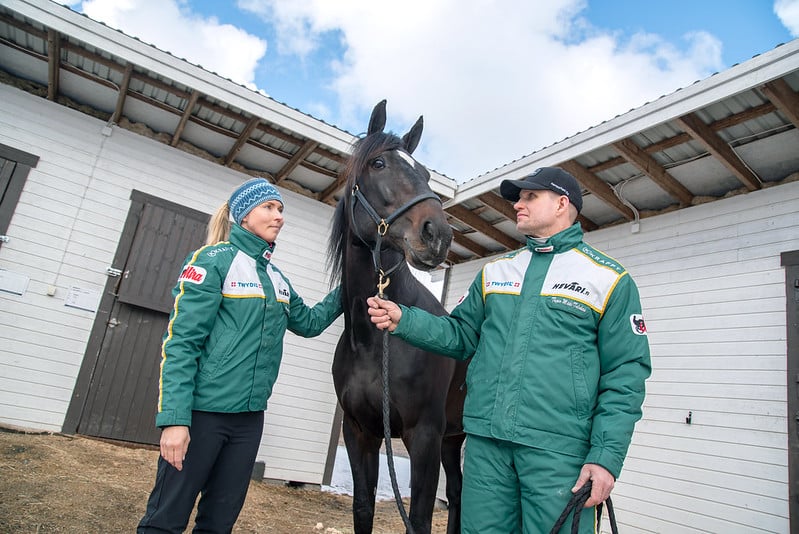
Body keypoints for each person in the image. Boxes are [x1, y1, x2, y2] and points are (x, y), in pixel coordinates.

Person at [367, 167, 651, 533]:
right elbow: (459, 334)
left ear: (563, 203)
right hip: (487, 448)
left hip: (559, 455)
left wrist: (605, 458)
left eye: (530, 196)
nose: (518, 204)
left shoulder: (609, 281)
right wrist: (404, 319)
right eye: (519, 197)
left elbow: (625, 376)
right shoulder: (496, 272)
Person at [138, 178, 343, 533]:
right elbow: (181, 343)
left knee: (219, 522)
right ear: (243, 216)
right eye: (269, 207)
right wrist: (174, 420)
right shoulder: (212, 261)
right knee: (165, 519)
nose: (279, 216)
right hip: (202, 415)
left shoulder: (276, 278)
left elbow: (309, 323)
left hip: (249, 421)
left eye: (280, 210)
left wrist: (349, 287)